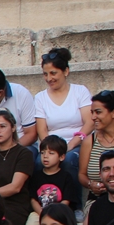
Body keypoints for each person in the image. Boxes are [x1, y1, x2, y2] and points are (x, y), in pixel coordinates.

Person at [34, 47, 90, 214]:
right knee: (38, 163)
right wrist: (51, 150)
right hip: (52, 145)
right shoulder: (40, 97)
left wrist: (72, 144)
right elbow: (42, 129)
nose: (49, 78)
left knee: (69, 160)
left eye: (53, 73)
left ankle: (75, 205)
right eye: (45, 74)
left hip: (78, 142)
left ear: (66, 71)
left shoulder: (80, 91)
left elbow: (89, 122)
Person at [26, 135, 79, 225]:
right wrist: (42, 213)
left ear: (62, 157)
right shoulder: (36, 176)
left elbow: (66, 200)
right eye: (43, 152)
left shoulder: (66, 177)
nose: (45, 156)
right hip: (39, 211)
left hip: (60, 212)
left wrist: (53, 214)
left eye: (51, 153)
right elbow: (33, 199)